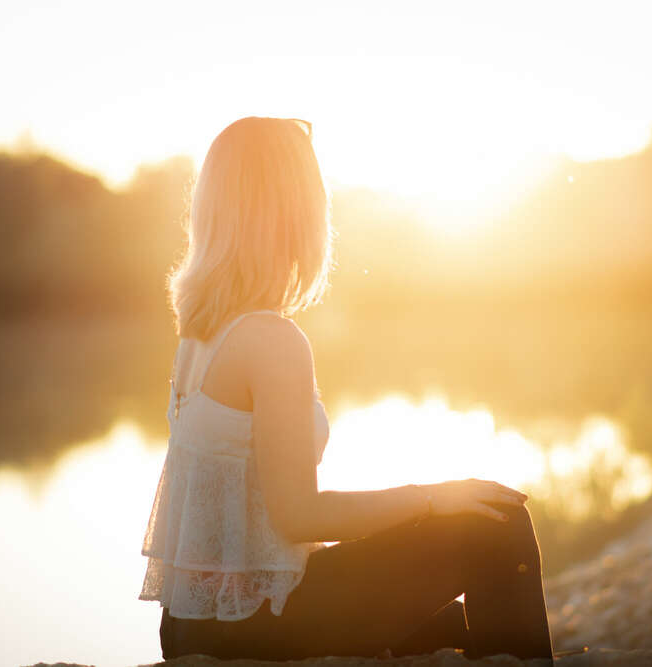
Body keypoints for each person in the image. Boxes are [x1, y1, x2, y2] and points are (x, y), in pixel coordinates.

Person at [138, 116, 555, 662]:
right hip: (254, 623)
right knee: (495, 527)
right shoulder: (270, 338)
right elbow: (299, 516)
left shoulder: (201, 332)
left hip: (192, 623)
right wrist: (432, 497)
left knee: (455, 627)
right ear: (295, 211)